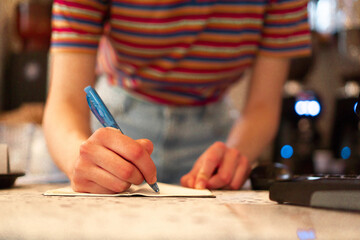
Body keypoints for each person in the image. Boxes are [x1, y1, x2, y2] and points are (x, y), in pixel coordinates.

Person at [43, 0, 311, 193]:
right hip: (114, 136)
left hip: (216, 143)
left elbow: (263, 105)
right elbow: (65, 101)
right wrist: (75, 158)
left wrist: (235, 155)